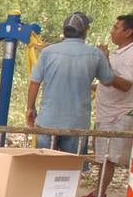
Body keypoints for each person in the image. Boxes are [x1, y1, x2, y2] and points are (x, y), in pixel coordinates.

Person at [26, 11, 114, 156]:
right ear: (85, 31)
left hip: (48, 120)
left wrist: (30, 108)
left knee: (44, 163)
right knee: (72, 166)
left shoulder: (48, 52)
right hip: (77, 123)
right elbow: (108, 80)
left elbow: (34, 83)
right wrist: (106, 58)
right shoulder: (95, 54)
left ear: (64, 30)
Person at [76, 14, 133, 197]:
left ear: (128, 32)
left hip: (118, 115)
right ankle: (98, 192)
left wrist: (105, 61)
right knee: (103, 157)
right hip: (107, 113)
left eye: (116, 28)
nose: (112, 31)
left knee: (108, 159)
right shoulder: (121, 52)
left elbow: (125, 84)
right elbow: (110, 81)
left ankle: (99, 195)